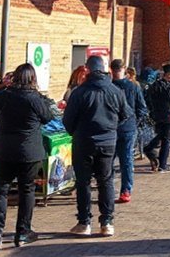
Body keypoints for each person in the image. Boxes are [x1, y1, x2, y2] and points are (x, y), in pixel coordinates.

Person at [0, 63, 53, 250]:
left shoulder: (5, 95)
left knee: (0, 190)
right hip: (29, 152)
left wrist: (0, 88)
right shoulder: (35, 98)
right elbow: (48, 117)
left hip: (4, 151)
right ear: (33, 79)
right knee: (26, 190)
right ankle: (23, 232)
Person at [63, 55, 128, 237]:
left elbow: (68, 120)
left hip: (83, 141)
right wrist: (112, 128)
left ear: (87, 69)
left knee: (83, 182)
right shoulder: (115, 91)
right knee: (106, 181)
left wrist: (75, 131)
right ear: (105, 69)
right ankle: (107, 222)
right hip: (107, 141)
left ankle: (84, 222)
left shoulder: (79, 92)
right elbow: (126, 114)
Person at [110, 59, 147, 203]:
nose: (116, 72)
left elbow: (141, 107)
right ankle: (109, 190)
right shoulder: (109, 86)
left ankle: (125, 190)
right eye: (115, 70)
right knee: (110, 162)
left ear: (124, 69)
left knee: (125, 161)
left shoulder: (132, 87)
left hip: (126, 129)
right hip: (113, 129)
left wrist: (134, 123)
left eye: (118, 70)